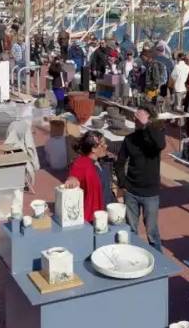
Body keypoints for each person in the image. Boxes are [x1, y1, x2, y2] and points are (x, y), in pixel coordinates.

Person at [114, 107, 166, 251]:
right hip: (131, 192)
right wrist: (123, 183)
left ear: (149, 119)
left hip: (151, 193)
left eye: (140, 117)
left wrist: (147, 125)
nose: (136, 120)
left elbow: (161, 144)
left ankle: (159, 260)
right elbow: (119, 162)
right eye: (136, 117)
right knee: (131, 230)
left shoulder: (155, 138)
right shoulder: (129, 139)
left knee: (152, 232)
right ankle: (132, 255)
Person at [64, 131, 114, 222]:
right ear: (93, 149)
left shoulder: (100, 161)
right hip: (93, 217)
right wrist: (72, 179)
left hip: (106, 211)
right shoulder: (82, 163)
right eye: (103, 144)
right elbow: (75, 174)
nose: (106, 146)